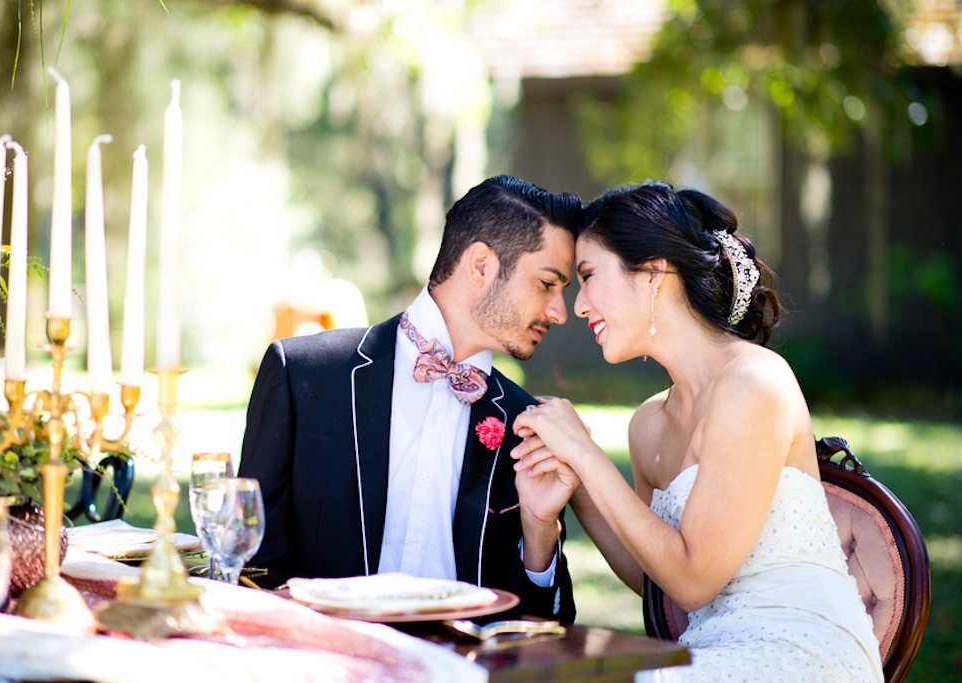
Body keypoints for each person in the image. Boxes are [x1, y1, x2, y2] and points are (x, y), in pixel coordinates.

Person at [511, 182, 883, 680]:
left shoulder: (754, 383)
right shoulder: (648, 425)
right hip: (709, 654)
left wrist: (586, 454)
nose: (577, 307)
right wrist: (573, 479)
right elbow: (653, 575)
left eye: (588, 276)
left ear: (653, 274)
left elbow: (692, 583)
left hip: (802, 653)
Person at [238, 175, 581, 622]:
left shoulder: (524, 422)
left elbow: (548, 628)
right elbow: (250, 561)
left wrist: (539, 533)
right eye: (547, 283)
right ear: (481, 265)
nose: (559, 311)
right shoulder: (303, 375)